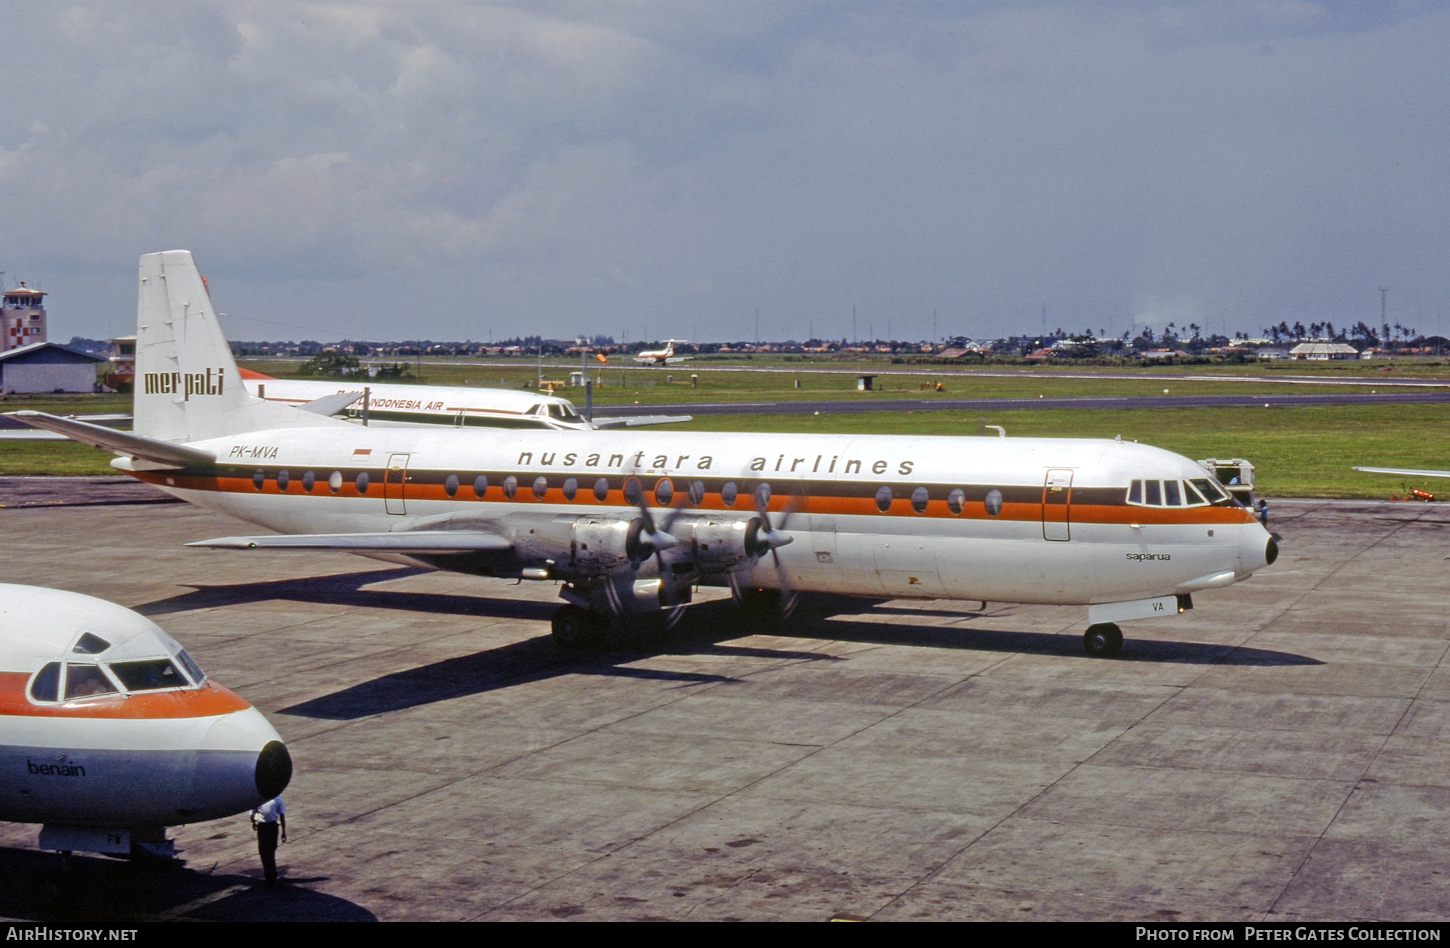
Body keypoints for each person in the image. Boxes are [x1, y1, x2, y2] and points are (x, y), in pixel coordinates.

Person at [251, 796, 287, 887]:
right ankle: (271, 875)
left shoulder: (258, 798)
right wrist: (283, 832)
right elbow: (282, 815)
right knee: (268, 852)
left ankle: (270, 876)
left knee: (266, 852)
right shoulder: (277, 799)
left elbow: (252, 813)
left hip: (266, 827)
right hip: (269, 827)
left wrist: (253, 823)